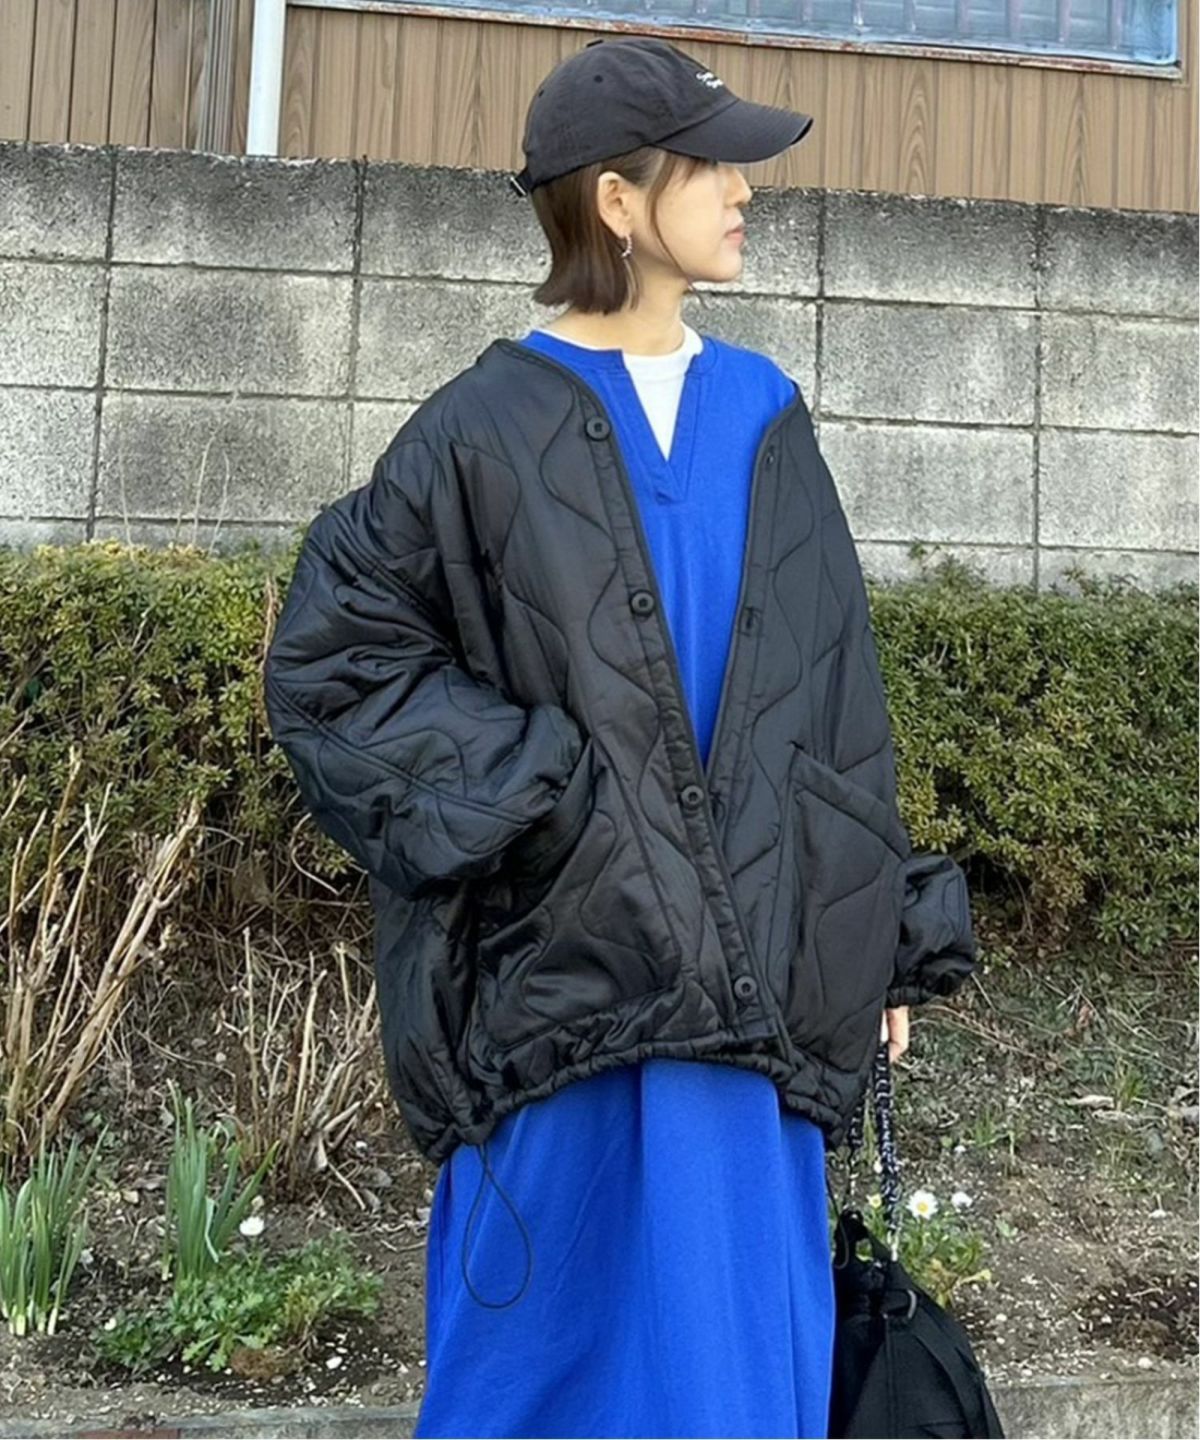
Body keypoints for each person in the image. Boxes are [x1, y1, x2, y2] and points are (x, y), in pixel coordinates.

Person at [264, 34, 978, 1440]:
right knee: (543, 1377)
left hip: (751, 1008)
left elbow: (831, 702)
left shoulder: (768, 416)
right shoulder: (478, 432)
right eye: (712, 166)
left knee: (732, 1372)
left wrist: (882, 926)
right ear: (617, 200)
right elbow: (333, 666)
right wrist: (543, 799)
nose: (746, 190)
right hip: (561, 997)